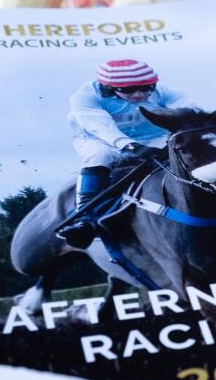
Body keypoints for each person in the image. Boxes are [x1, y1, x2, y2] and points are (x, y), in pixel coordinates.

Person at [59, 58, 188, 248]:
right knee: (100, 155)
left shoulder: (164, 92)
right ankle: (84, 218)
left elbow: (188, 109)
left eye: (146, 87)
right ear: (108, 87)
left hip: (154, 138)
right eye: (128, 90)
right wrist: (131, 146)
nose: (139, 94)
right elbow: (101, 127)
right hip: (99, 139)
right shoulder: (84, 97)